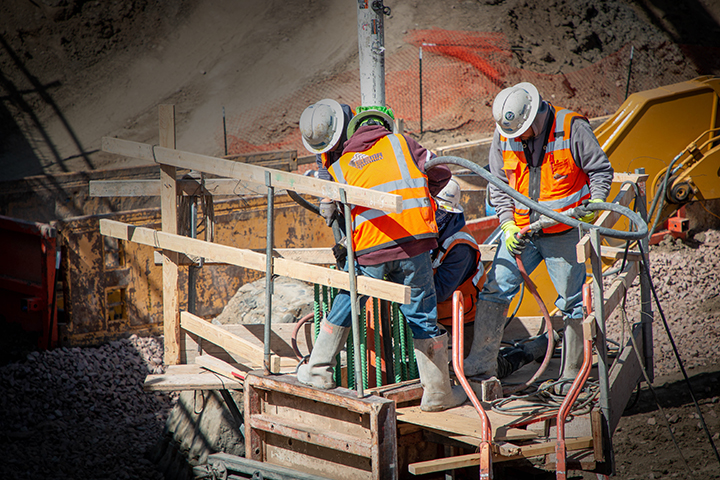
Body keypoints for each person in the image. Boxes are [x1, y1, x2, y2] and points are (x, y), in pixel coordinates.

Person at [297, 104, 467, 412]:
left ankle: (319, 370)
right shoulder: (403, 143)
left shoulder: (341, 165)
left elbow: (332, 206)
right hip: (414, 244)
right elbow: (442, 172)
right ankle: (438, 394)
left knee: (348, 300)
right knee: (421, 314)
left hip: (370, 250)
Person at [463, 82, 614, 392]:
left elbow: (601, 172)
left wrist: (593, 207)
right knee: (495, 290)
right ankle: (480, 369)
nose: (516, 140)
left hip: (563, 231)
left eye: (521, 133)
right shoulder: (505, 134)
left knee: (572, 303)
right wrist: (506, 225)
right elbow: (499, 185)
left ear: (533, 119)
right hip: (520, 233)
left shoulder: (572, 128)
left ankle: (572, 375)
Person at [431, 177, 552, 379]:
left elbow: (439, 292)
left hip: (465, 319)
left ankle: (544, 344)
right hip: (441, 317)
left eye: (439, 212)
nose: (435, 216)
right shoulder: (434, 234)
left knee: (486, 369)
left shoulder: (459, 246)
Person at [299, 99, 354, 230]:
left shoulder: (355, 135)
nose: (326, 150)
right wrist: (326, 198)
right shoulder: (323, 136)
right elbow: (323, 167)